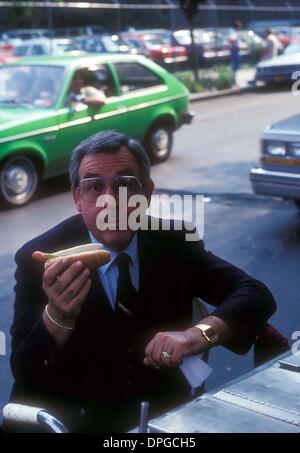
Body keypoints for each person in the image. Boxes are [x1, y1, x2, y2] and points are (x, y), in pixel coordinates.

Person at [8, 130, 277, 433]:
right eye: (94, 186)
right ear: (77, 198)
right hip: (75, 422)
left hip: (162, 416)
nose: (111, 201)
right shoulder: (41, 259)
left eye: (125, 184)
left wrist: (198, 335)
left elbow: (255, 294)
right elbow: (25, 373)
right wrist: (57, 318)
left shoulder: (173, 240)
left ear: (146, 192)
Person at [228, 20, 242, 85]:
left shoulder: (235, 32)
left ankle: (234, 80)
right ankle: (233, 81)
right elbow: (231, 39)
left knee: (236, 66)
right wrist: (235, 45)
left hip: (236, 50)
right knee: (234, 66)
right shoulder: (234, 32)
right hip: (234, 50)